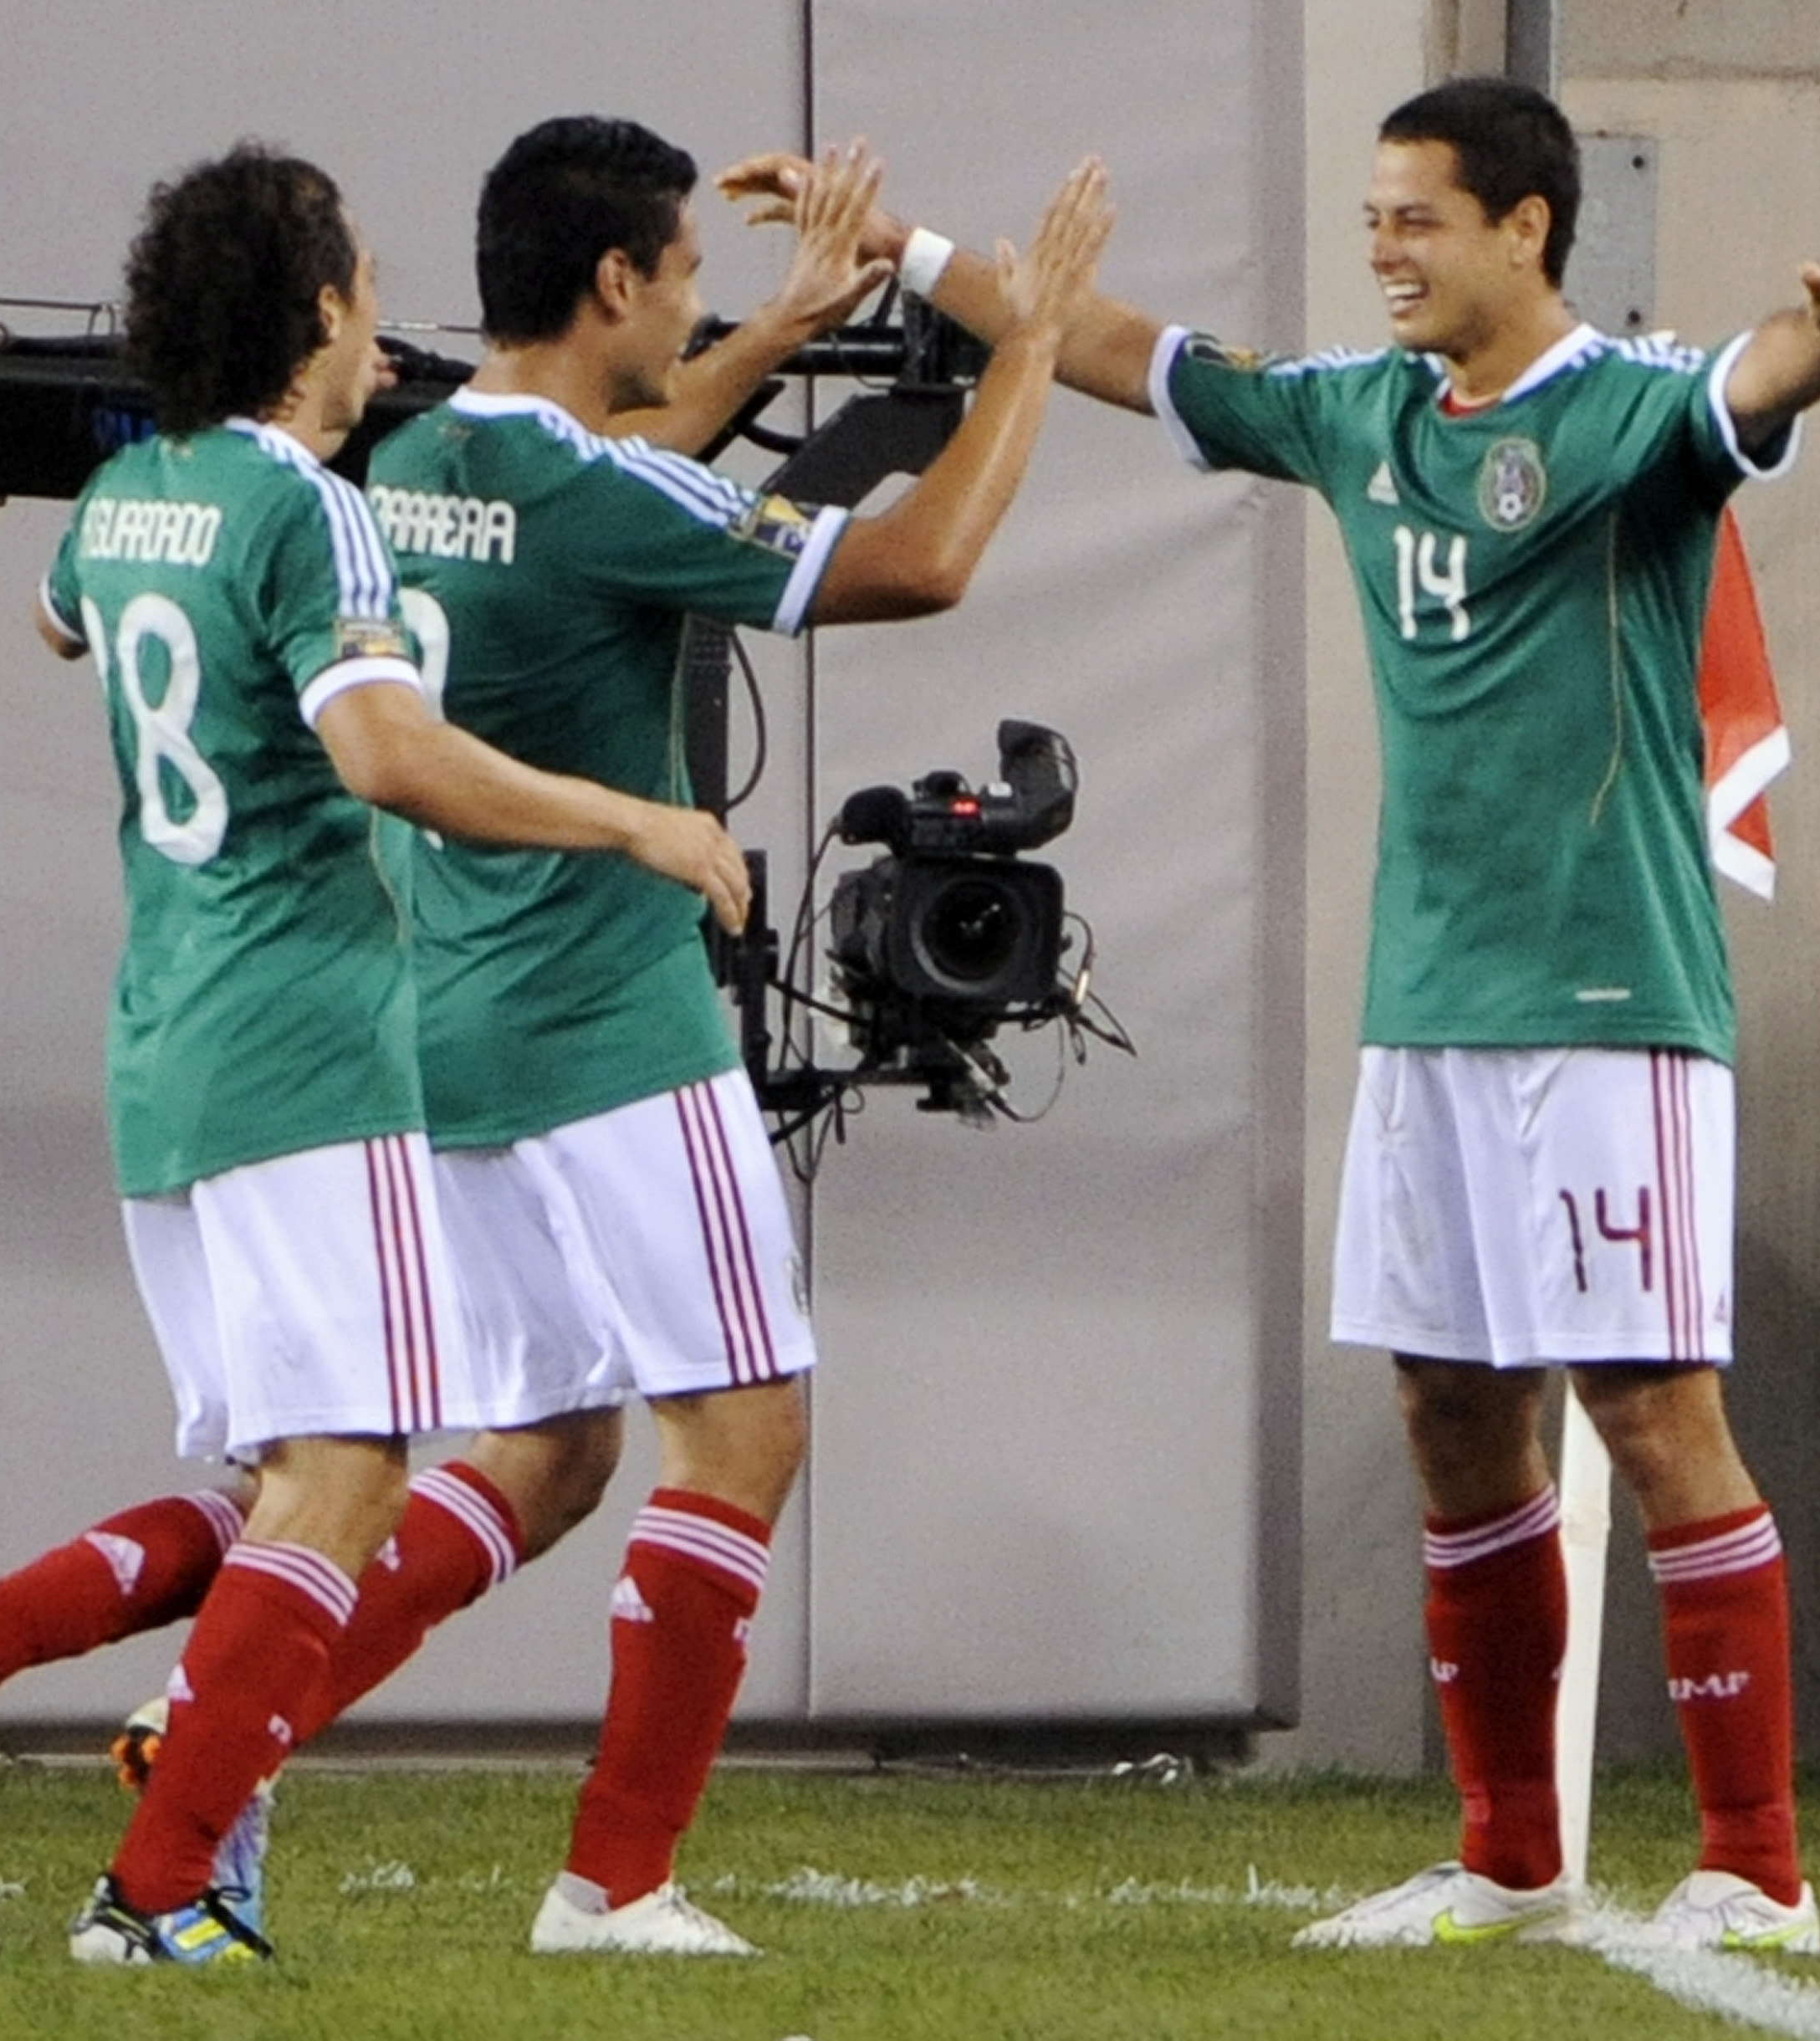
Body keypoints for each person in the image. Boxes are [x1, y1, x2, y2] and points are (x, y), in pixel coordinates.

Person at [722, 76, 1820, 1954]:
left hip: (1610, 1005)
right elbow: (1121, 350)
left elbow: (1752, 383)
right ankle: (1510, 1853)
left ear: (1528, 227)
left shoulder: (1622, 413)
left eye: (1415, 219)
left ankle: (1754, 1867)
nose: (1383, 252)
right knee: (1453, 1407)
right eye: (1370, 219)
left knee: (1651, 1407)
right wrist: (904, 248)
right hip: (1429, 1008)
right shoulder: (1360, 415)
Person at [0, 139, 749, 1967]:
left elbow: (62, 612)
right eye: (365, 285)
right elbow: (392, 760)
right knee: (350, 1477)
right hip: (310, 1048)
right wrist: (636, 820)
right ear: (322, 309)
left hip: (165, 1055)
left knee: (278, 1486)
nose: (383, 323)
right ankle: (161, 1890)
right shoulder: (302, 503)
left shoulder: (132, 495)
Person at [235, 115, 1106, 1959]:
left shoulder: (422, 451)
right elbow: (921, 561)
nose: (695, 304)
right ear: (618, 280)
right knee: (747, 1427)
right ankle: (615, 1882)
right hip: (609, 1024)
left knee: (548, 1452)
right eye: (688, 279)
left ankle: (224, 1739)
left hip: (444, 1021)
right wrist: (1031, 344)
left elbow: (617, 464)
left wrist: (785, 324)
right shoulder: (589, 481)